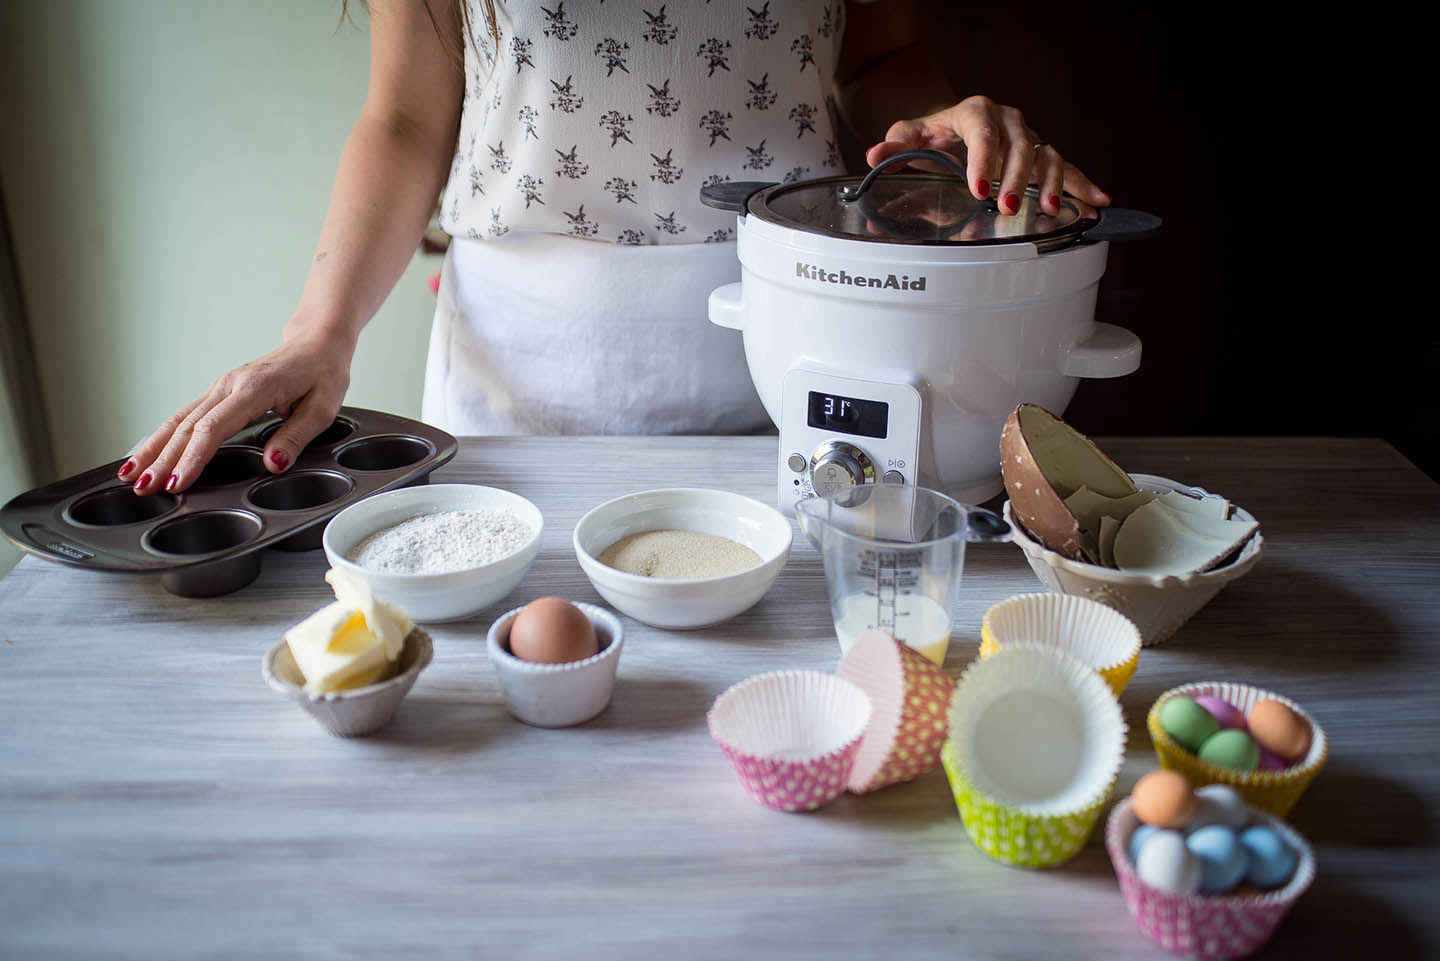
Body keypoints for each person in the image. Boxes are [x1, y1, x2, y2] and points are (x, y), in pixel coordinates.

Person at [118, 0, 1110, 495]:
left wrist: (937, 119)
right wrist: (318, 334)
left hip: (793, 342)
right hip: (515, 382)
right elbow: (408, 118)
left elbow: (881, 58)